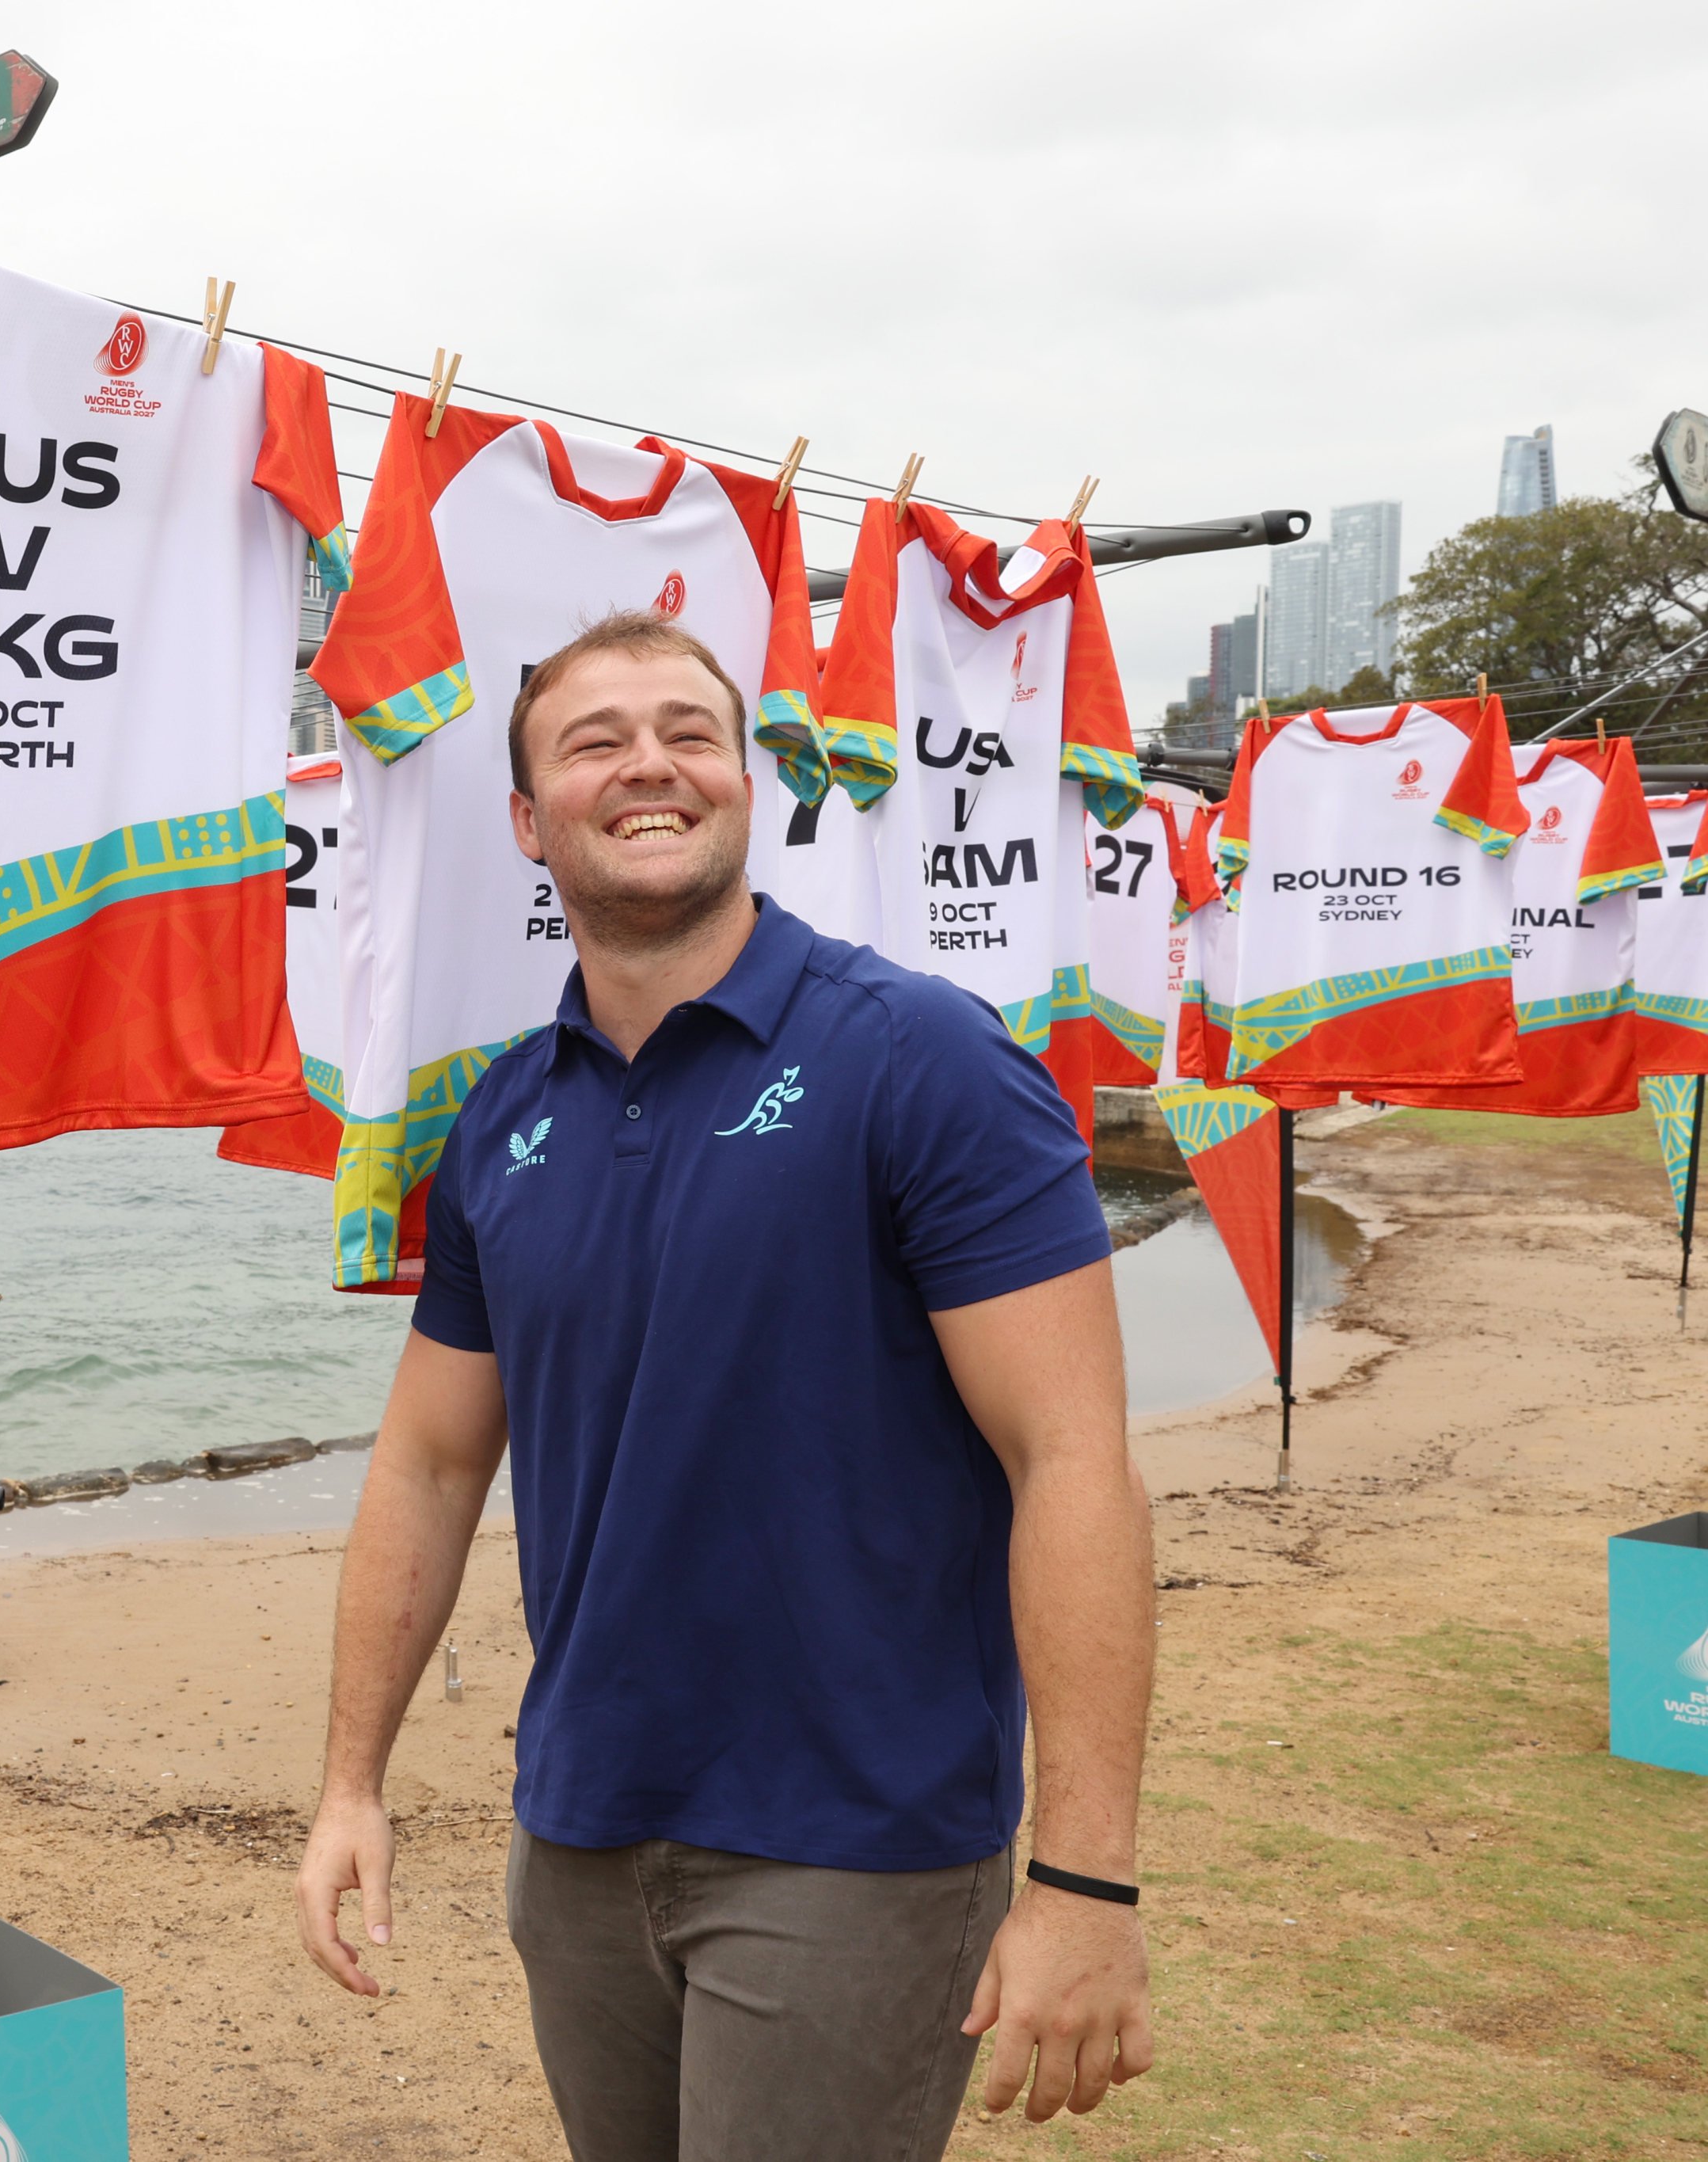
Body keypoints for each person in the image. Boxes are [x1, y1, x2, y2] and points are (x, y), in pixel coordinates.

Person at [293, 611, 1158, 2160]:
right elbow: (426, 1464)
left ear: (743, 784)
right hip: (575, 1833)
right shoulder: (501, 1118)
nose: (648, 765)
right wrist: (350, 1781)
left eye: (688, 732)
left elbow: (1068, 1464)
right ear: (523, 817)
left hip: (851, 1846)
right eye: (593, 739)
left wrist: (1082, 1881)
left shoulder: (921, 1062)